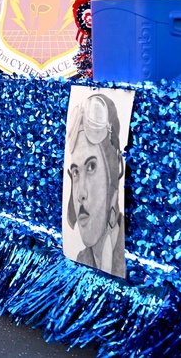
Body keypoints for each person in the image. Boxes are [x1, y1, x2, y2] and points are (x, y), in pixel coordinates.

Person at [65, 93, 125, 278]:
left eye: (91, 167)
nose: (80, 193)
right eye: (75, 172)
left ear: (114, 171)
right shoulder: (78, 259)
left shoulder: (134, 261)